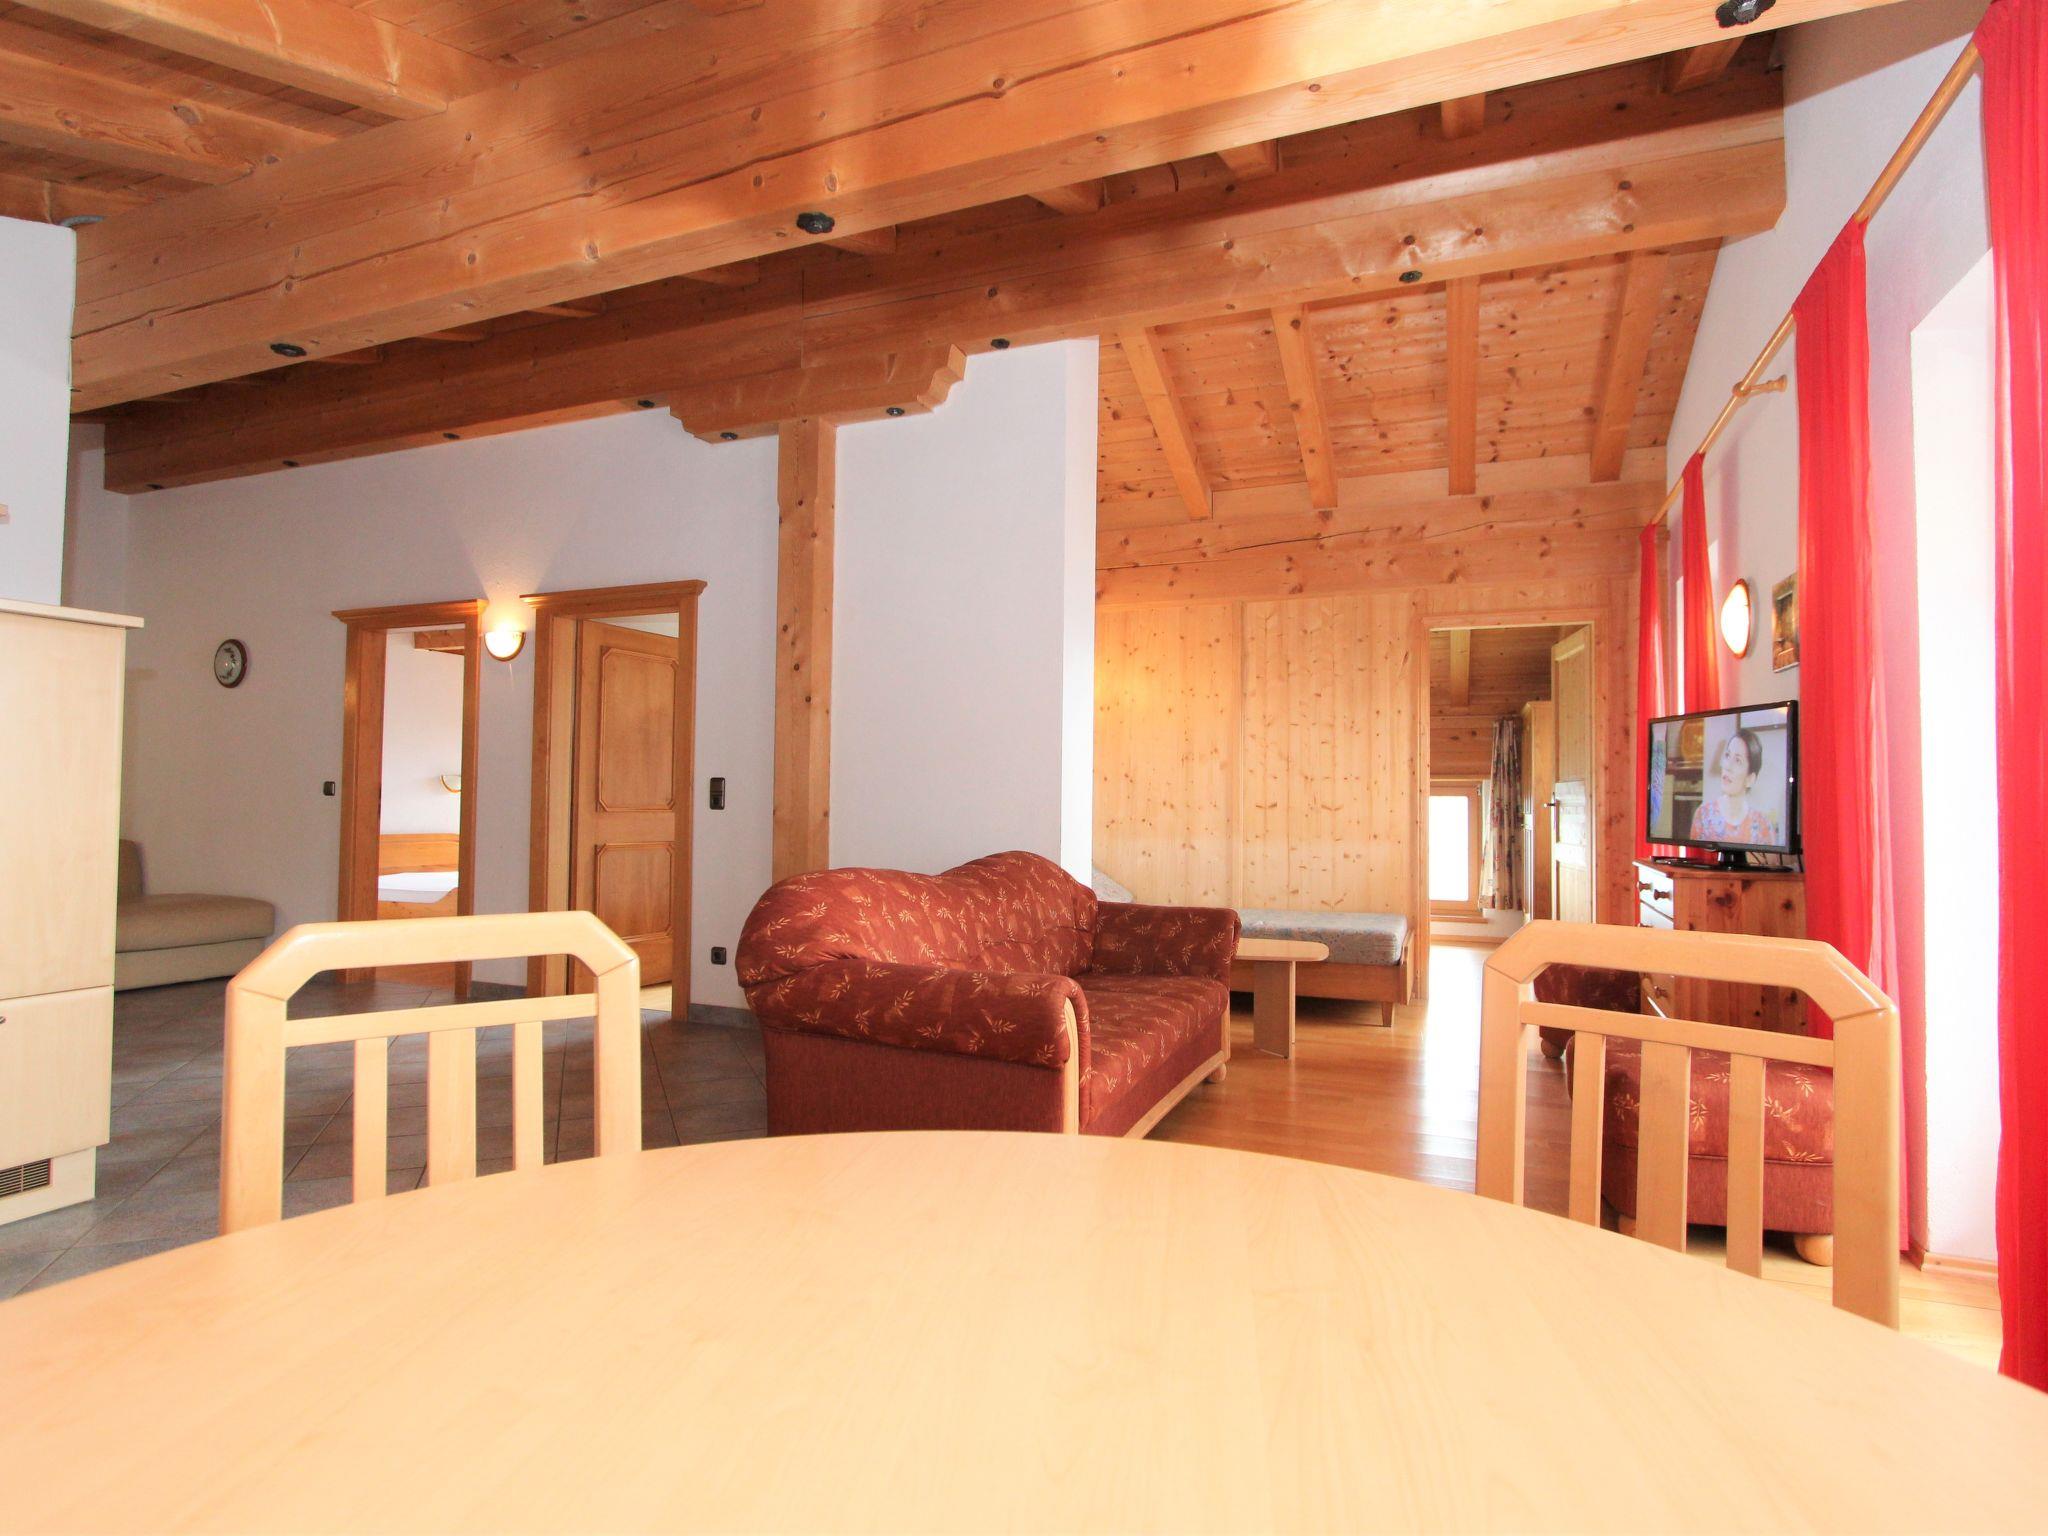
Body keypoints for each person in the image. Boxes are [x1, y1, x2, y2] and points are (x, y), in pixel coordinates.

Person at [1689, 727, 1777, 845]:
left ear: (1750, 779)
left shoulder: (1763, 826)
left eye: (1737, 760)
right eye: (1727, 755)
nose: (1727, 766)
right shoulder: (1703, 815)